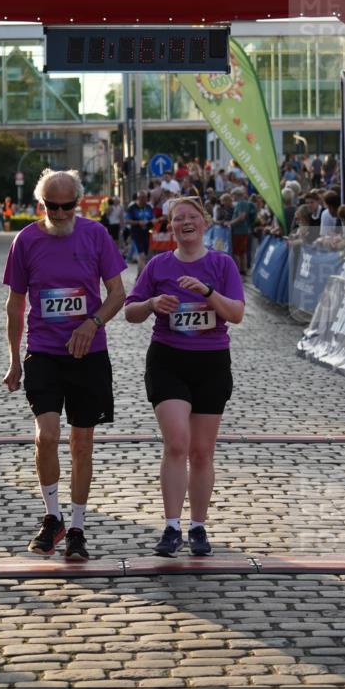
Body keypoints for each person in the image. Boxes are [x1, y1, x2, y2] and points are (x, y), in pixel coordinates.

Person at [3, 169, 126, 561]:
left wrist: (93, 323)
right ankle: (52, 517)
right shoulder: (26, 241)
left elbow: (118, 293)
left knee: (82, 442)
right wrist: (12, 361)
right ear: (41, 204)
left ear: (79, 202)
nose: (59, 213)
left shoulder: (96, 235)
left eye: (67, 206)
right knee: (46, 436)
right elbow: (15, 304)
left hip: (88, 354)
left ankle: (76, 527)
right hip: (43, 351)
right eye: (51, 206)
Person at [124, 196, 244, 558]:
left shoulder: (222, 264)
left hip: (211, 363)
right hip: (168, 360)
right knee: (177, 442)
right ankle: (172, 526)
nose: (185, 222)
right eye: (178, 218)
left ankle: (199, 526)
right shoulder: (158, 266)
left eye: (192, 216)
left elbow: (236, 313)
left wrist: (208, 293)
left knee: (202, 451)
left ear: (204, 223)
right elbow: (130, 311)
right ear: (171, 226)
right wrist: (151, 304)